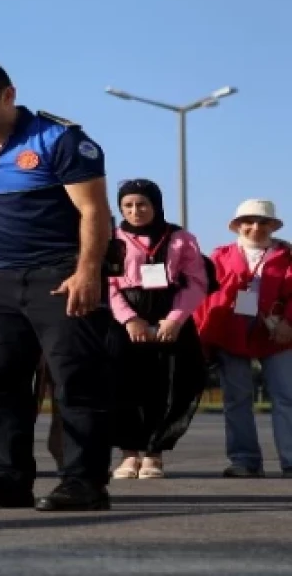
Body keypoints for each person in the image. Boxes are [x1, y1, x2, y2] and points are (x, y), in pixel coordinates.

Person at [0, 60, 115, 512]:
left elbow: (94, 212)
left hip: (61, 275)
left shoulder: (60, 138)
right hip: (1, 280)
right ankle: (8, 479)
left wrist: (87, 271)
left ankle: (84, 483)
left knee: (75, 381)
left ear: (7, 95)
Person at [108, 179, 209, 479]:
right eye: (128, 205)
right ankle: (129, 454)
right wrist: (129, 319)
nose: (135, 211)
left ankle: (154, 453)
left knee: (169, 384)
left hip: (170, 314)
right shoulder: (112, 239)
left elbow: (196, 282)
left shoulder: (181, 239)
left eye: (142, 204)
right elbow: (108, 284)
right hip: (126, 317)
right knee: (123, 385)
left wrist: (175, 318)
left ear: (155, 205)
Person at [195, 199, 292, 478]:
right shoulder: (219, 256)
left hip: (278, 331)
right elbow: (206, 297)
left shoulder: (288, 256)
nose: (255, 227)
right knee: (237, 397)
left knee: (286, 396)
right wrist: (205, 336)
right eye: (248, 221)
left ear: (273, 225)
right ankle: (245, 460)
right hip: (231, 330)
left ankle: (290, 459)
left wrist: (289, 322)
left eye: (263, 221)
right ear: (237, 226)